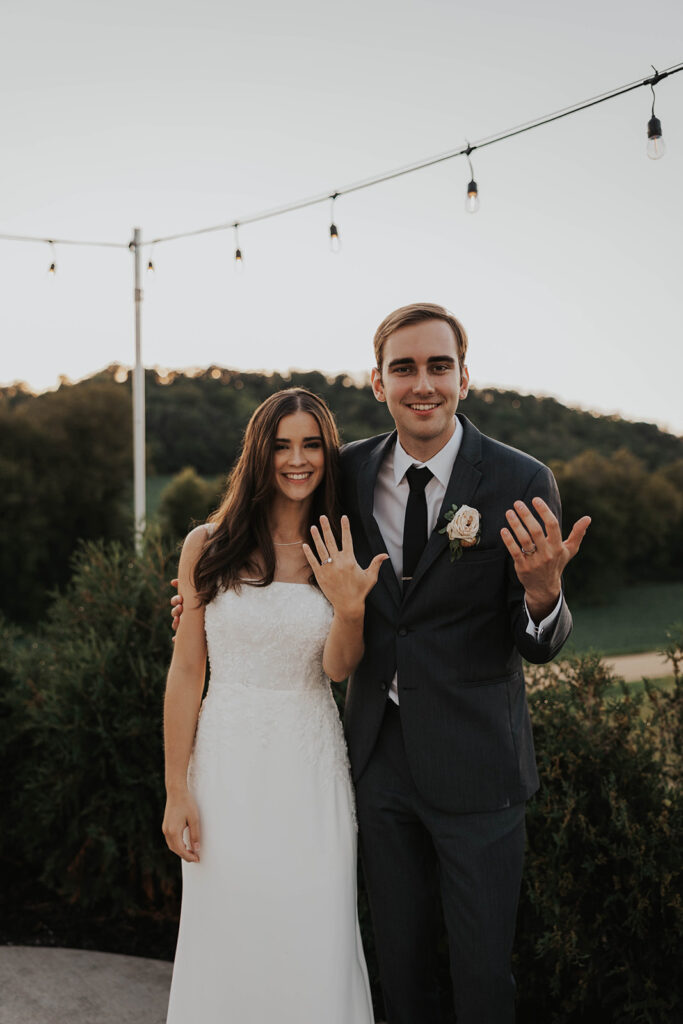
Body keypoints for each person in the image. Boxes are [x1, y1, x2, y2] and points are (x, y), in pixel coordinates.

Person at [172, 303, 591, 1024]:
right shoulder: (345, 473)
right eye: (403, 367)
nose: (420, 383)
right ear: (377, 381)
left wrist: (544, 593)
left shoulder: (520, 481)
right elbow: (269, 544)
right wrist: (192, 603)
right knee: (396, 967)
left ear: (464, 377)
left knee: (483, 973)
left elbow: (537, 640)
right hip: (374, 760)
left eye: (437, 366)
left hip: (478, 764)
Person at [162, 387, 385, 1024]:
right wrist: (177, 789)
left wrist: (349, 609)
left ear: (327, 453)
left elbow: (339, 668)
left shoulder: (340, 546)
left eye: (311, 444)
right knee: (228, 928)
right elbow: (185, 672)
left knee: (312, 928)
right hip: (226, 766)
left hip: (309, 765)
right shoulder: (206, 545)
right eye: (282, 444)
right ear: (258, 454)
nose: (297, 459)